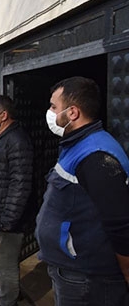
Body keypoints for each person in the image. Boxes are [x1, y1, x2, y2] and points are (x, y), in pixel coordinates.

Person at [36, 77, 129, 305]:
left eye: (53, 107)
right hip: (72, 273)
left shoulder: (97, 156)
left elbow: (120, 224)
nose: (50, 112)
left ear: (73, 113)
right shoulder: (77, 145)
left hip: (87, 279)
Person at [0, 95, 34, 306]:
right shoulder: (0, 136)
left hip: (7, 214)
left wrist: (9, 217)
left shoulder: (17, 141)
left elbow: (20, 183)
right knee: (1, 257)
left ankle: (8, 300)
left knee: (6, 262)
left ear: (3, 115)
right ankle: (7, 291)